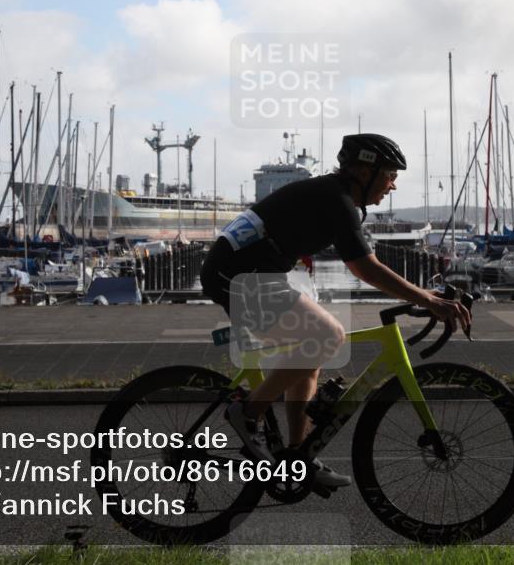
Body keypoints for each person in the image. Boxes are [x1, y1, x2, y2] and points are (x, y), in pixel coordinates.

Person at [200, 133, 471, 492]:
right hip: (238, 277)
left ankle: (297, 459)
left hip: (248, 272)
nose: (392, 185)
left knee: (312, 348)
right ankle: (248, 413)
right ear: (363, 171)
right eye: (389, 175)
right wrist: (428, 300)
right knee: (328, 336)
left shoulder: (332, 195)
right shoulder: (338, 200)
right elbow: (365, 269)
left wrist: (424, 295)